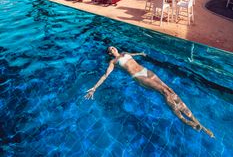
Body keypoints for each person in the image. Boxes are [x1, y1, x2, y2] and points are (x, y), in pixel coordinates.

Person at [85, 46, 214, 138]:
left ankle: (199, 123)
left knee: (171, 90)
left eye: (113, 47)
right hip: (138, 76)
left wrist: (140, 53)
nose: (113, 49)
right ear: (109, 54)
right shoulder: (113, 62)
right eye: (110, 50)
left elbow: (132, 55)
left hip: (145, 71)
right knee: (164, 92)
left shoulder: (124, 53)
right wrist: (94, 88)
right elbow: (105, 76)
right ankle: (184, 120)